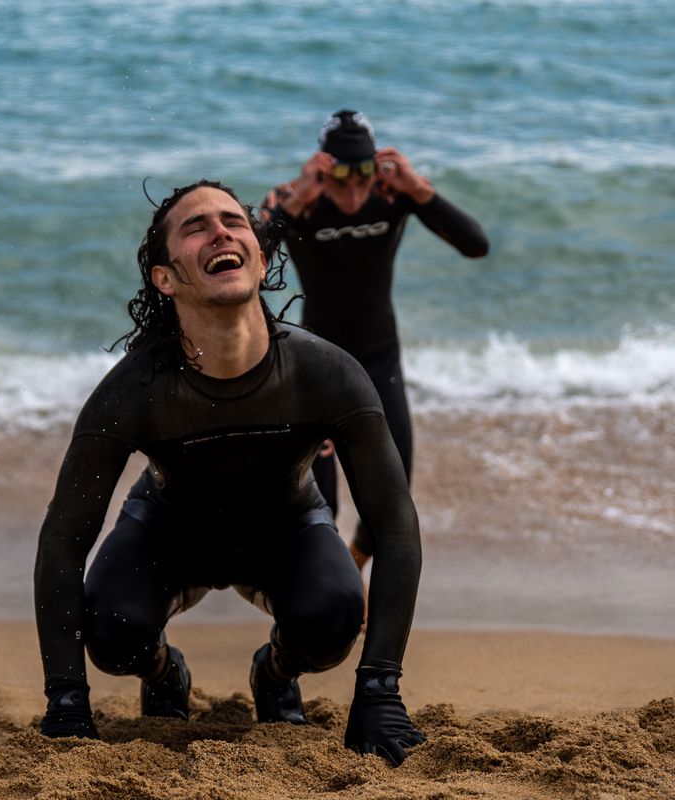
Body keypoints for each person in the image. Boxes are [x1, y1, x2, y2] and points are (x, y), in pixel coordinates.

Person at [34, 180, 426, 766]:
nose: (220, 231)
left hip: (287, 531)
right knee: (113, 631)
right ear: (165, 279)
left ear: (261, 257)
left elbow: (394, 524)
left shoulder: (326, 375)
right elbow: (63, 541)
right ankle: (166, 673)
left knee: (334, 617)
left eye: (234, 221)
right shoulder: (132, 394)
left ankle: (275, 672)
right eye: (195, 227)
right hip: (168, 534)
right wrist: (67, 701)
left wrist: (380, 691)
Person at [262, 109, 488, 570]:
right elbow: (250, 260)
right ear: (323, 167)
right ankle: (325, 586)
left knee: (391, 493)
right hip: (315, 365)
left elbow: (475, 244)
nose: (351, 195)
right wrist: (291, 204)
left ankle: (351, 569)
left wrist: (419, 189)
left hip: (379, 357)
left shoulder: (393, 195)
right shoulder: (295, 200)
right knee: (318, 499)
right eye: (341, 183)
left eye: (360, 182)